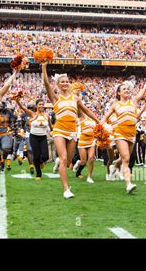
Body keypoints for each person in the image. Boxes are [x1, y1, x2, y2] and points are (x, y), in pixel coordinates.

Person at [41, 62, 101, 199]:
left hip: (73, 131)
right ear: (57, 84)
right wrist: (44, 67)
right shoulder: (56, 97)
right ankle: (66, 189)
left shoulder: (75, 98)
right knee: (63, 158)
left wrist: (99, 122)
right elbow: (45, 83)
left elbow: (87, 111)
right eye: (62, 81)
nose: (65, 83)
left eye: (67, 81)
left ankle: (59, 163)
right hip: (59, 130)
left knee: (67, 161)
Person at [102, 71, 146, 194]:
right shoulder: (115, 105)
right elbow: (104, 118)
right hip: (120, 133)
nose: (127, 90)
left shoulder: (134, 101)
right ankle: (129, 184)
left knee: (126, 158)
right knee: (126, 158)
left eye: (127, 89)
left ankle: (116, 164)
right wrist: (103, 127)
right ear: (119, 93)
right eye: (124, 89)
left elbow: (144, 88)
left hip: (132, 134)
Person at [15, 98, 50, 180]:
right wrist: (17, 101)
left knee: (45, 156)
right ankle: (38, 174)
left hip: (43, 137)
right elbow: (23, 108)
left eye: (42, 104)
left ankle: (41, 162)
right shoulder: (32, 114)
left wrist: (53, 130)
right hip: (33, 137)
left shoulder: (47, 115)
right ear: (36, 106)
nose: (41, 106)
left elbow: (50, 125)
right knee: (36, 156)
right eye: (39, 104)